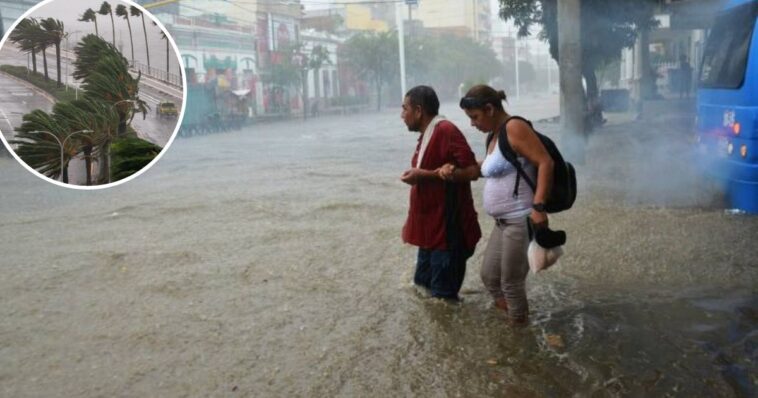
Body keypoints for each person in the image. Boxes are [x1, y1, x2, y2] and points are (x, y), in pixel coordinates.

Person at [456, 84, 554, 324]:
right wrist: (456, 171)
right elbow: (490, 167)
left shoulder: (514, 127)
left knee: (511, 282)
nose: (472, 124)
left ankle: (520, 339)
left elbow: (545, 162)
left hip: (520, 220)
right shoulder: (495, 134)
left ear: (489, 109)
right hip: (502, 224)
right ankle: (517, 322)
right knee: (490, 277)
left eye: (475, 117)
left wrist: (539, 207)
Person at [400, 85, 482, 300]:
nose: (402, 115)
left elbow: (473, 171)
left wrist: (425, 175)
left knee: (443, 300)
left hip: (449, 233)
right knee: (421, 288)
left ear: (419, 110)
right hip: (430, 232)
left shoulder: (446, 130)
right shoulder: (427, 134)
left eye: (404, 109)